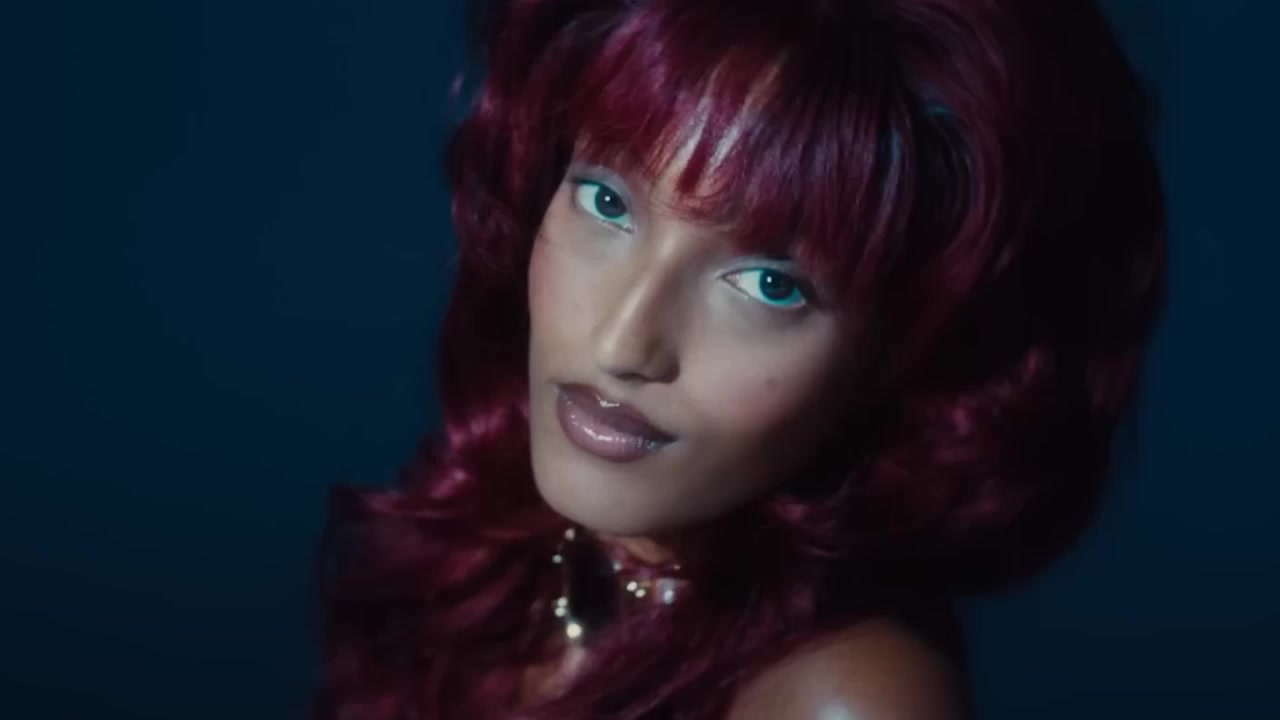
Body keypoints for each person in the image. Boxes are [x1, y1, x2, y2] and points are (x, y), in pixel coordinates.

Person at [312, 0, 1166, 718]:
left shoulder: (848, 700)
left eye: (767, 285)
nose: (622, 344)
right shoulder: (526, 552)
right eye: (606, 201)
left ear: (906, 357)